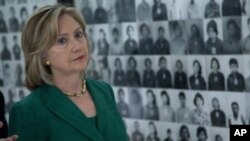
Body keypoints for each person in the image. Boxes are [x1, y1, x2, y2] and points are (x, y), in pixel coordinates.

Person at [8, 5, 128, 141]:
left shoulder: (104, 91)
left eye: (78, 34)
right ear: (43, 56)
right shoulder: (27, 111)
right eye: (62, 41)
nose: (77, 46)